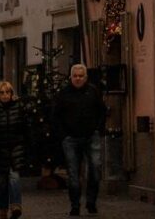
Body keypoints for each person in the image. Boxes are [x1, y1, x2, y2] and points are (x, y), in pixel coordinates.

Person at [52, 63, 107, 217]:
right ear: (71, 77)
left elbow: (102, 111)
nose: (77, 79)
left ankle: (91, 202)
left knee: (95, 170)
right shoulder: (63, 94)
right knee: (73, 174)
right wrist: (63, 135)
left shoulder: (93, 91)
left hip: (91, 136)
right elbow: (56, 115)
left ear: (85, 77)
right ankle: (75, 205)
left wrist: (98, 128)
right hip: (70, 138)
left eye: (80, 76)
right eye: (75, 76)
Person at [0, 81, 31, 219]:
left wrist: (27, 147)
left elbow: (26, 128)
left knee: (14, 177)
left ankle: (16, 206)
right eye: (2, 92)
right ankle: (2, 209)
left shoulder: (19, 107)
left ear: (11, 93)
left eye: (7, 92)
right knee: (2, 182)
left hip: (16, 148)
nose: (5, 95)